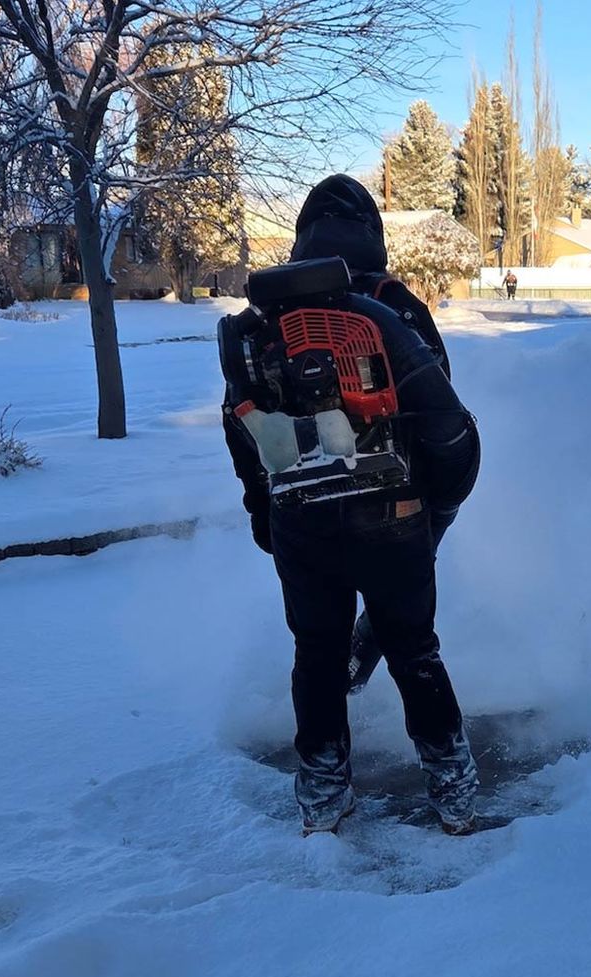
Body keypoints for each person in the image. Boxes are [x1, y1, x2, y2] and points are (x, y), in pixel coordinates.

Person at [222, 175, 482, 835]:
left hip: (300, 522)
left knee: (316, 654)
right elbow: (445, 426)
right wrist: (435, 511)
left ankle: (322, 796)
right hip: (394, 521)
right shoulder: (390, 309)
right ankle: (452, 790)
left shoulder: (264, 323)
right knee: (414, 652)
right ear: (374, 237)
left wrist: (267, 519)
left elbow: (243, 428)